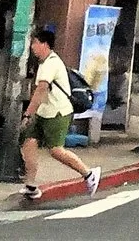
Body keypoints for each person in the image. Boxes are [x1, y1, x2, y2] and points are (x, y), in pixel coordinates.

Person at [18, 26, 102, 200]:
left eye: (35, 43)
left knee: (56, 150)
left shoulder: (51, 63)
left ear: (45, 45)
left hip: (57, 112)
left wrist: (27, 114)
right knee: (29, 143)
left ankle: (88, 174)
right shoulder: (44, 63)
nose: (32, 47)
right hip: (43, 112)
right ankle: (31, 185)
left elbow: (41, 89)